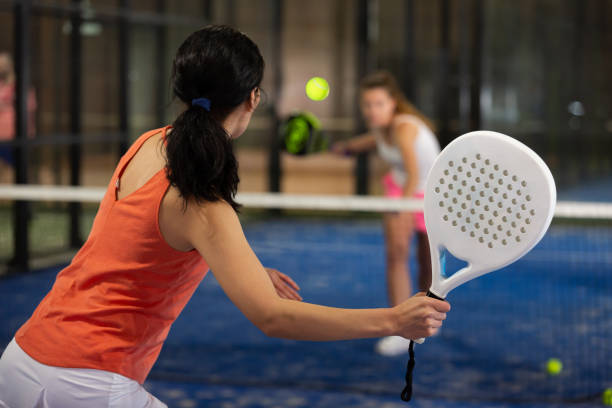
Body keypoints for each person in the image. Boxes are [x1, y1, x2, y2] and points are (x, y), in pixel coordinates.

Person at [0, 26, 449, 407]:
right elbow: (274, 318)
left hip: (21, 359)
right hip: (86, 382)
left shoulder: (147, 144)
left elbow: (149, 243)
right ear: (252, 98)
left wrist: (247, 268)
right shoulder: (203, 198)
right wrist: (394, 320)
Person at [332, 71, 441, 356]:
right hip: (400, 189)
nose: (372, 110)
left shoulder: (405, 127)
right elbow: (365, 143)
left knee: (427, 264)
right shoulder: (380, 128)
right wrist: (343, 148)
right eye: (367, 104)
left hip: (430, 195)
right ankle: (401, 328)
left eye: (378, 104)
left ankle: (425, 319)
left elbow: (415, 172)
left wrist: (404, 208)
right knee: (396, 255)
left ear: (393, 103)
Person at [0, 51, 36, 182]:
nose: (1, 67)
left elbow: (29, 107)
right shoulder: (1, 85)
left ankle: (30, 196)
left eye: (4, 64)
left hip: (17, 135)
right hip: (1, 136)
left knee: (22, 170)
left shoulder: (21, 86)